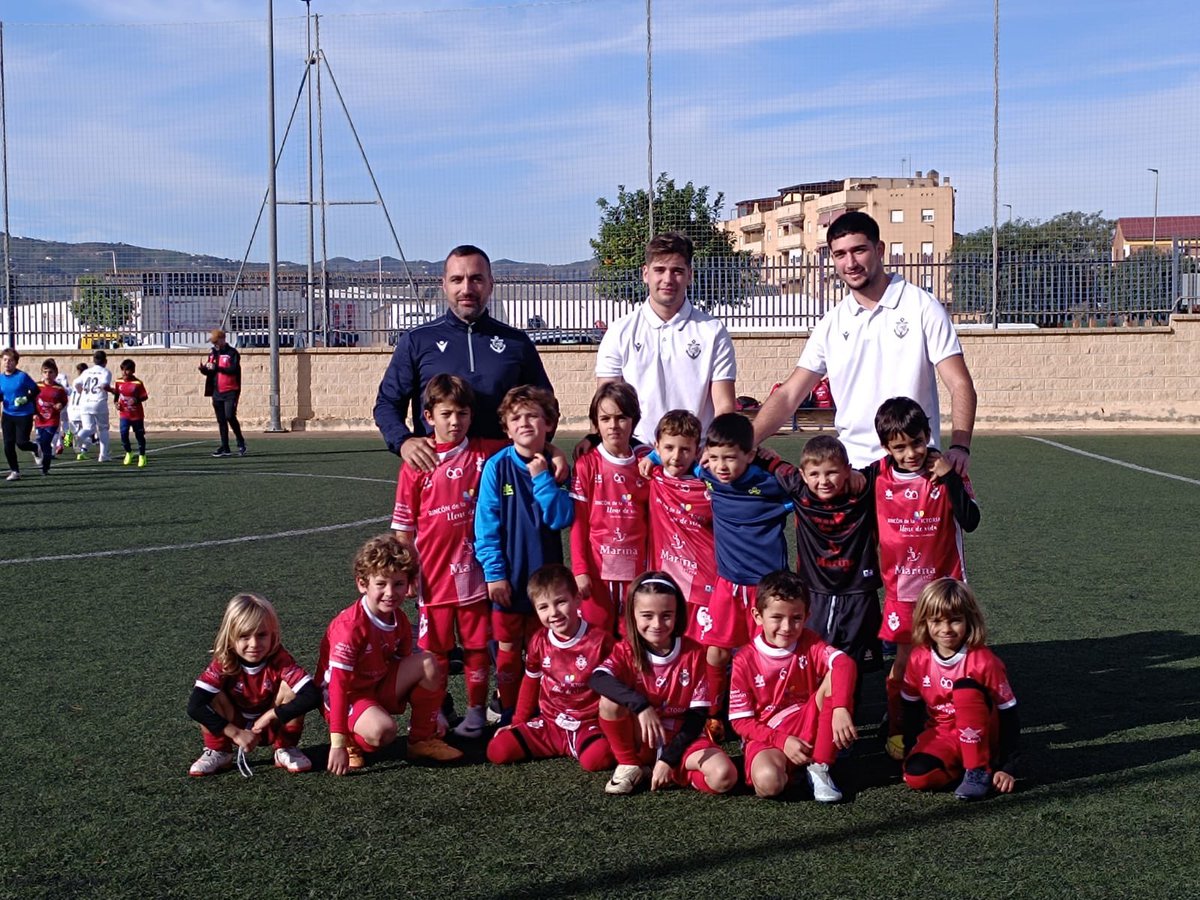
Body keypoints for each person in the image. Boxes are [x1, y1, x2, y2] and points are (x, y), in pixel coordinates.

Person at [751, 211, 977, 474]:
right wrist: (746, 442)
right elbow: (790, 394)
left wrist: (960, 447)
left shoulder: (922, 307)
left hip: (913, 468)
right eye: (840, 254)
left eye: (859, 250)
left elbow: (959, 383)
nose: (850, 263)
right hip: (853, 471)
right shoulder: (831, 323)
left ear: (879, 250)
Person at [392, 374, 505, 740]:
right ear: (429, 416)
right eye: (446, 414)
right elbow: (403, 530)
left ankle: (475, 713)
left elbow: (524, 443)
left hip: (475, 574)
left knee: (476, 648)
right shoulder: (417, 463)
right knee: (435, 653)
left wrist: (553, 451)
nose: (455, 422)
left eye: (462, 414)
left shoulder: (484, 453)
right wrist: (408, 572)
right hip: (433, 578)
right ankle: (435, 712)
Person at [374, 244, 552, 473]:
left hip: (504, 473)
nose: (466, 289)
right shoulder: (417, 341)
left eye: (476, 279)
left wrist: (542, 446)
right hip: (439, 473)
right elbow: (387, 403)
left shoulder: (516, 342)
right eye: (457, 279)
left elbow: (546, 404)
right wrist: (404, 442)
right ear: (444, 285)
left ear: (490, 285)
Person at [871, 397, 980, 758]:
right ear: (886, 447)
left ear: (928, 434)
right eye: (899, 447)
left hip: (944, 589)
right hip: (901, 591)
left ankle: (958, 726)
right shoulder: (876, 475)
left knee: (952, 657)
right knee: (903, 662)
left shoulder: (948, 472)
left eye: (917, 443)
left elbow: (971, 520)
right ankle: (898, 726)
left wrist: (949, 478)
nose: (910, 453)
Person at [316, 534, 463, 774]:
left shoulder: (399, 619)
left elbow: (404, 664)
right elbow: (338, 687)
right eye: (381, 584)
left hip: (375, 683)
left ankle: (421, 740)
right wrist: (337, 744)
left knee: (428, 662)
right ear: (362, 584)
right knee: (382, 731)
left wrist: (432, 712)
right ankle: (352, 740)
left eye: (398, 584)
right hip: (346, 695)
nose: (390, 592)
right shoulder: (350, 627)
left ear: (409, 585)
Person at [473, 385, 574, 725]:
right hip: (510, 579)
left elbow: (560, 518)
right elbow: (486, 525)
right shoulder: (497, 467)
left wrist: (542, 479)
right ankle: (508, 708)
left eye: (533, 416)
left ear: (549, 424)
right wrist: (494, 573)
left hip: (546, 581)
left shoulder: (557, 468)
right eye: (516, 418)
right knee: (507, 648)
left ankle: (542, 709)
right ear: (506, 427)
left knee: (543, 646)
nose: (525, 423)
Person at [588, 572, 737, 796]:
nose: (656, 624)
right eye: (647, 615)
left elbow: (697, 717)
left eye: (666, 615)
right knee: (609, 701)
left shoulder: (694, 653)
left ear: (678, 615)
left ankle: (666, 772)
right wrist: (641, 706)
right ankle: (630, 764)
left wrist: (669, 759)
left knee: (724, 776)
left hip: (683, 739)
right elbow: (598, 678)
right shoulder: (626, 650)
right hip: (642, 736)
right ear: (633, 615)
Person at [696, 412, 793, 735]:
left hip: (766, 590)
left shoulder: (770, 485)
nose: (721, 466)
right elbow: (687, 463)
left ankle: (764, 714)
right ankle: (714, 712)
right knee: (716, 651)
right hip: (727, 584)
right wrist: (654, 457)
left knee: (764, 654)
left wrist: (774, 462)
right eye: (714, 457)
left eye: (730, 458)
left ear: (750, 455)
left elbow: (802, 493)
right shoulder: (707, 475)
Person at [773, 434, 884, 712]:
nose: (823, 481)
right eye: (814, 474)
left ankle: (847, 716)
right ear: (802, 474)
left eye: (832, 472)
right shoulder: (797, 487)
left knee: (853, 664)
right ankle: (813, 718)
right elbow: (765, 460)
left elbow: (894, 459)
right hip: (815, 594)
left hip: (859, 593)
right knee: (814, 659)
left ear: (847, 469)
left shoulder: (863, 486)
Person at [594, 232, 737, 445]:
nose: (668, 279)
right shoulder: (619, 331)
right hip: (637, 453)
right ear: (645, 274)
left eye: (677, 271)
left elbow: (724, 407)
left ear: (690, 275)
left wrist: (712, 451)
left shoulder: (713, 331)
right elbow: (605, 405)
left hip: (695, 454)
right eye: (659, 270)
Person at [729, 571, 858, 802]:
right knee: (769, 784)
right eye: (777, 617)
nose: (787, 627)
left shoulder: (810, 642)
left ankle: (819, 765)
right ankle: (796, 769)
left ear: (807, 616)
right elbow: (740, 721)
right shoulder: (744, 659)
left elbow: (844, 663)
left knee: (836, 674)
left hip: (806, 722)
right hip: (768, 736)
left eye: (796, 618)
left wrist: (840, 708)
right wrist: (782, 741)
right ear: (758, 616)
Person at [486, 564, 616, 772]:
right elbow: (531, 682)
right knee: (498, 750)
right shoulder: (539, 640)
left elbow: (620, 686)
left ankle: (579, 744)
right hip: (550, 723)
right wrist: (519, 722)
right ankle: (562, 744)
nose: (553, 612)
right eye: (543, 607)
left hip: (587, 723)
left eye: (561, 602)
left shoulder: (601, 641)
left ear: (577, 599)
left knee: (597, 759)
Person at [900, 578, 1019, 801]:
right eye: (936, 621)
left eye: (955, 620)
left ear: (969, 620)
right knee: (916, 776)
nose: (946, 629)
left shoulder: (984, 661)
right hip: (943, 733)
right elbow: (910, 708)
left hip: (984, 734)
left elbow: (1009, 714)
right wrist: (909, 749)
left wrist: (1008, 767)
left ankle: (978, 769)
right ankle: (961, 767)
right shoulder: (918, 658)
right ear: (924, 621)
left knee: (965, 689)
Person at [186, 592, 321, 776]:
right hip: (234, 724)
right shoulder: (224, 662)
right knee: (209, 693)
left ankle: (285, 747)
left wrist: (272, 715)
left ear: (273, 634)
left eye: (262, 635)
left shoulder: (279, 659)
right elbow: (195, 706)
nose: (254, 643)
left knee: (291, 688)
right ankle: (219, 750)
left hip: (270, 724)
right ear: (230, 636)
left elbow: (312, 695)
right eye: (244, 636)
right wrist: (235, 733)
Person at [570, 382, 650, 634]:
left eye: (621, 417)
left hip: (637, 572)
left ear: (634, 420)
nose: (613, 425)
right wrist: (580, 570)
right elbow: (579, 523)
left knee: (633, 638)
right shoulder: (586, 465)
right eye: (605, 419)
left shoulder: (647, 464)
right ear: (596, 423)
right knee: (596, 637)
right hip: (597, 574)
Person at [645, 410, 717, 640]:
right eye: (669, 448)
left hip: (703, 581)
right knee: (666, 640)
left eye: (685, 449)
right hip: (666, 580)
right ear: (657, 447)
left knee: (701, 645)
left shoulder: (709, 486)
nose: (676, 456)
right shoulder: (653, 477)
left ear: (697, 451)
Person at [200, 328, 247, 458]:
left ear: (222, 339)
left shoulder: (232, 353)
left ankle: (240, 441)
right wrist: (204, 370)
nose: (214, 344)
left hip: (231, 390)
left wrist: (218, 368)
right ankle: (225, 446)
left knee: (230, 416)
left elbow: (233, 369)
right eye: (213, 342)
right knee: (221, 420)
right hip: (217, 391)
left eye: (216, 341)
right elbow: (211, 371)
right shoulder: (213, 354)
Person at [0, 348, 39, 481]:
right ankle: (15, 471)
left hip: (24, 414)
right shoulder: (1, 378)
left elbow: (36, 390)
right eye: (5, 360)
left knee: (21, 443)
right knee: (8, 444)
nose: (7, 363)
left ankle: (35, 447)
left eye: (10, 360)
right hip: (7, 415)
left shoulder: (22, 377)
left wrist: (26, 399)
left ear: (16, 362)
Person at [74, 350, 114, 462]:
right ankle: (103, 455)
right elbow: (104, 385)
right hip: (98, 402)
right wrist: (113, 391)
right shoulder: (105, 372)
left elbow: (76, 383)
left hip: (85, 402)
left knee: (88, 428)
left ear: (94, 360)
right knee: (103, 428)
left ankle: (79, 436)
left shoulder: (86, 372)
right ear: (105, 361)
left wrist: (81, 392)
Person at [32, 359, 69, 476]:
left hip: (52, 420)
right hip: (39, 419)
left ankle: (43, 461)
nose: (47, 374)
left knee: (45, 441)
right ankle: (45, 466)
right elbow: (32, 400)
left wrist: (61, 405)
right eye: (45, 372)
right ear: (42, 373)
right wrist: (33, 413)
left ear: (55, 374)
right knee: (43, 443)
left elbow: (64, 401)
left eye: (50, 372)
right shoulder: (37, 386)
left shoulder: (59, 388)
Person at [114, 358, 150, 468]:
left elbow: (144, 396)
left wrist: (136, 400)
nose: (124, 372)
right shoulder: (118, 382)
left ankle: (142, 455)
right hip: (124, 414)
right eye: (123, 370)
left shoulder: (137, 383)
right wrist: (116, 403)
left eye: (127, 370)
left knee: (139, 436)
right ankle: (128, 452)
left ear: (133, 371)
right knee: (123, 434)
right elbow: (116, 395)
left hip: (136, 415)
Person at [63, 362, 87, 451]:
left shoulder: (75, 381)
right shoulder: (84, 381)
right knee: (83, 430)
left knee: (74, 427)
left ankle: (67, 439)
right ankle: (80, 449)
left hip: (71, 409)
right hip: (78, 409)